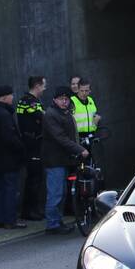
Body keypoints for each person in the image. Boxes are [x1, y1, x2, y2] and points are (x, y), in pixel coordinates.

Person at [42, 86, 87, 234]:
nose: (64, 102)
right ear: (54, 100)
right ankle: (52, 224)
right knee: (55, 193)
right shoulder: (51, 115)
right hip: (54, 160)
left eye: (66, 99)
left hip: (62, 159)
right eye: (61, 99)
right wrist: (79, 149)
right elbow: (60, 137)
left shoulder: (65, 113)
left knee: (61, 192)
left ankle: (57, 221)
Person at [0, 85, 26, 229]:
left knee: (0, 189)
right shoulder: (4, 115)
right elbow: (9, 137)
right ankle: (10, 220)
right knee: (10, 190)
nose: (13, 98)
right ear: (4, 97)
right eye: (11, 95)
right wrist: (21, 147)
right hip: (8, 159)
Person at [15, 75, 47, 221]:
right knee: (34, 178)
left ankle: (32, 209)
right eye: (43, 85)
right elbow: (43, 117)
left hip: (32, 142)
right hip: (32, 143)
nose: (44, 88)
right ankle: (30, 211)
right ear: (37, 86)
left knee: (35, 178)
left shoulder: (26, 100)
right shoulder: (30, 102)